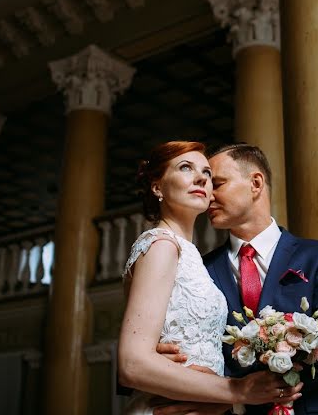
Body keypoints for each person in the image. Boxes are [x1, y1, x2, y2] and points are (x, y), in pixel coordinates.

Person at [153, 143, 318, 415]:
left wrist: (242, 389)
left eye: (219, 183)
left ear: (256, 184)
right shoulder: (199, 270)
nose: (208, 194)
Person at [118, 141, 303, 415]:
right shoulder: (161, 245)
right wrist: (237, 390)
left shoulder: (192, 256)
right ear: (157, 187)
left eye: (207, 173)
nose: (201, 179)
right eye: (185, 168)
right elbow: (132, 364)